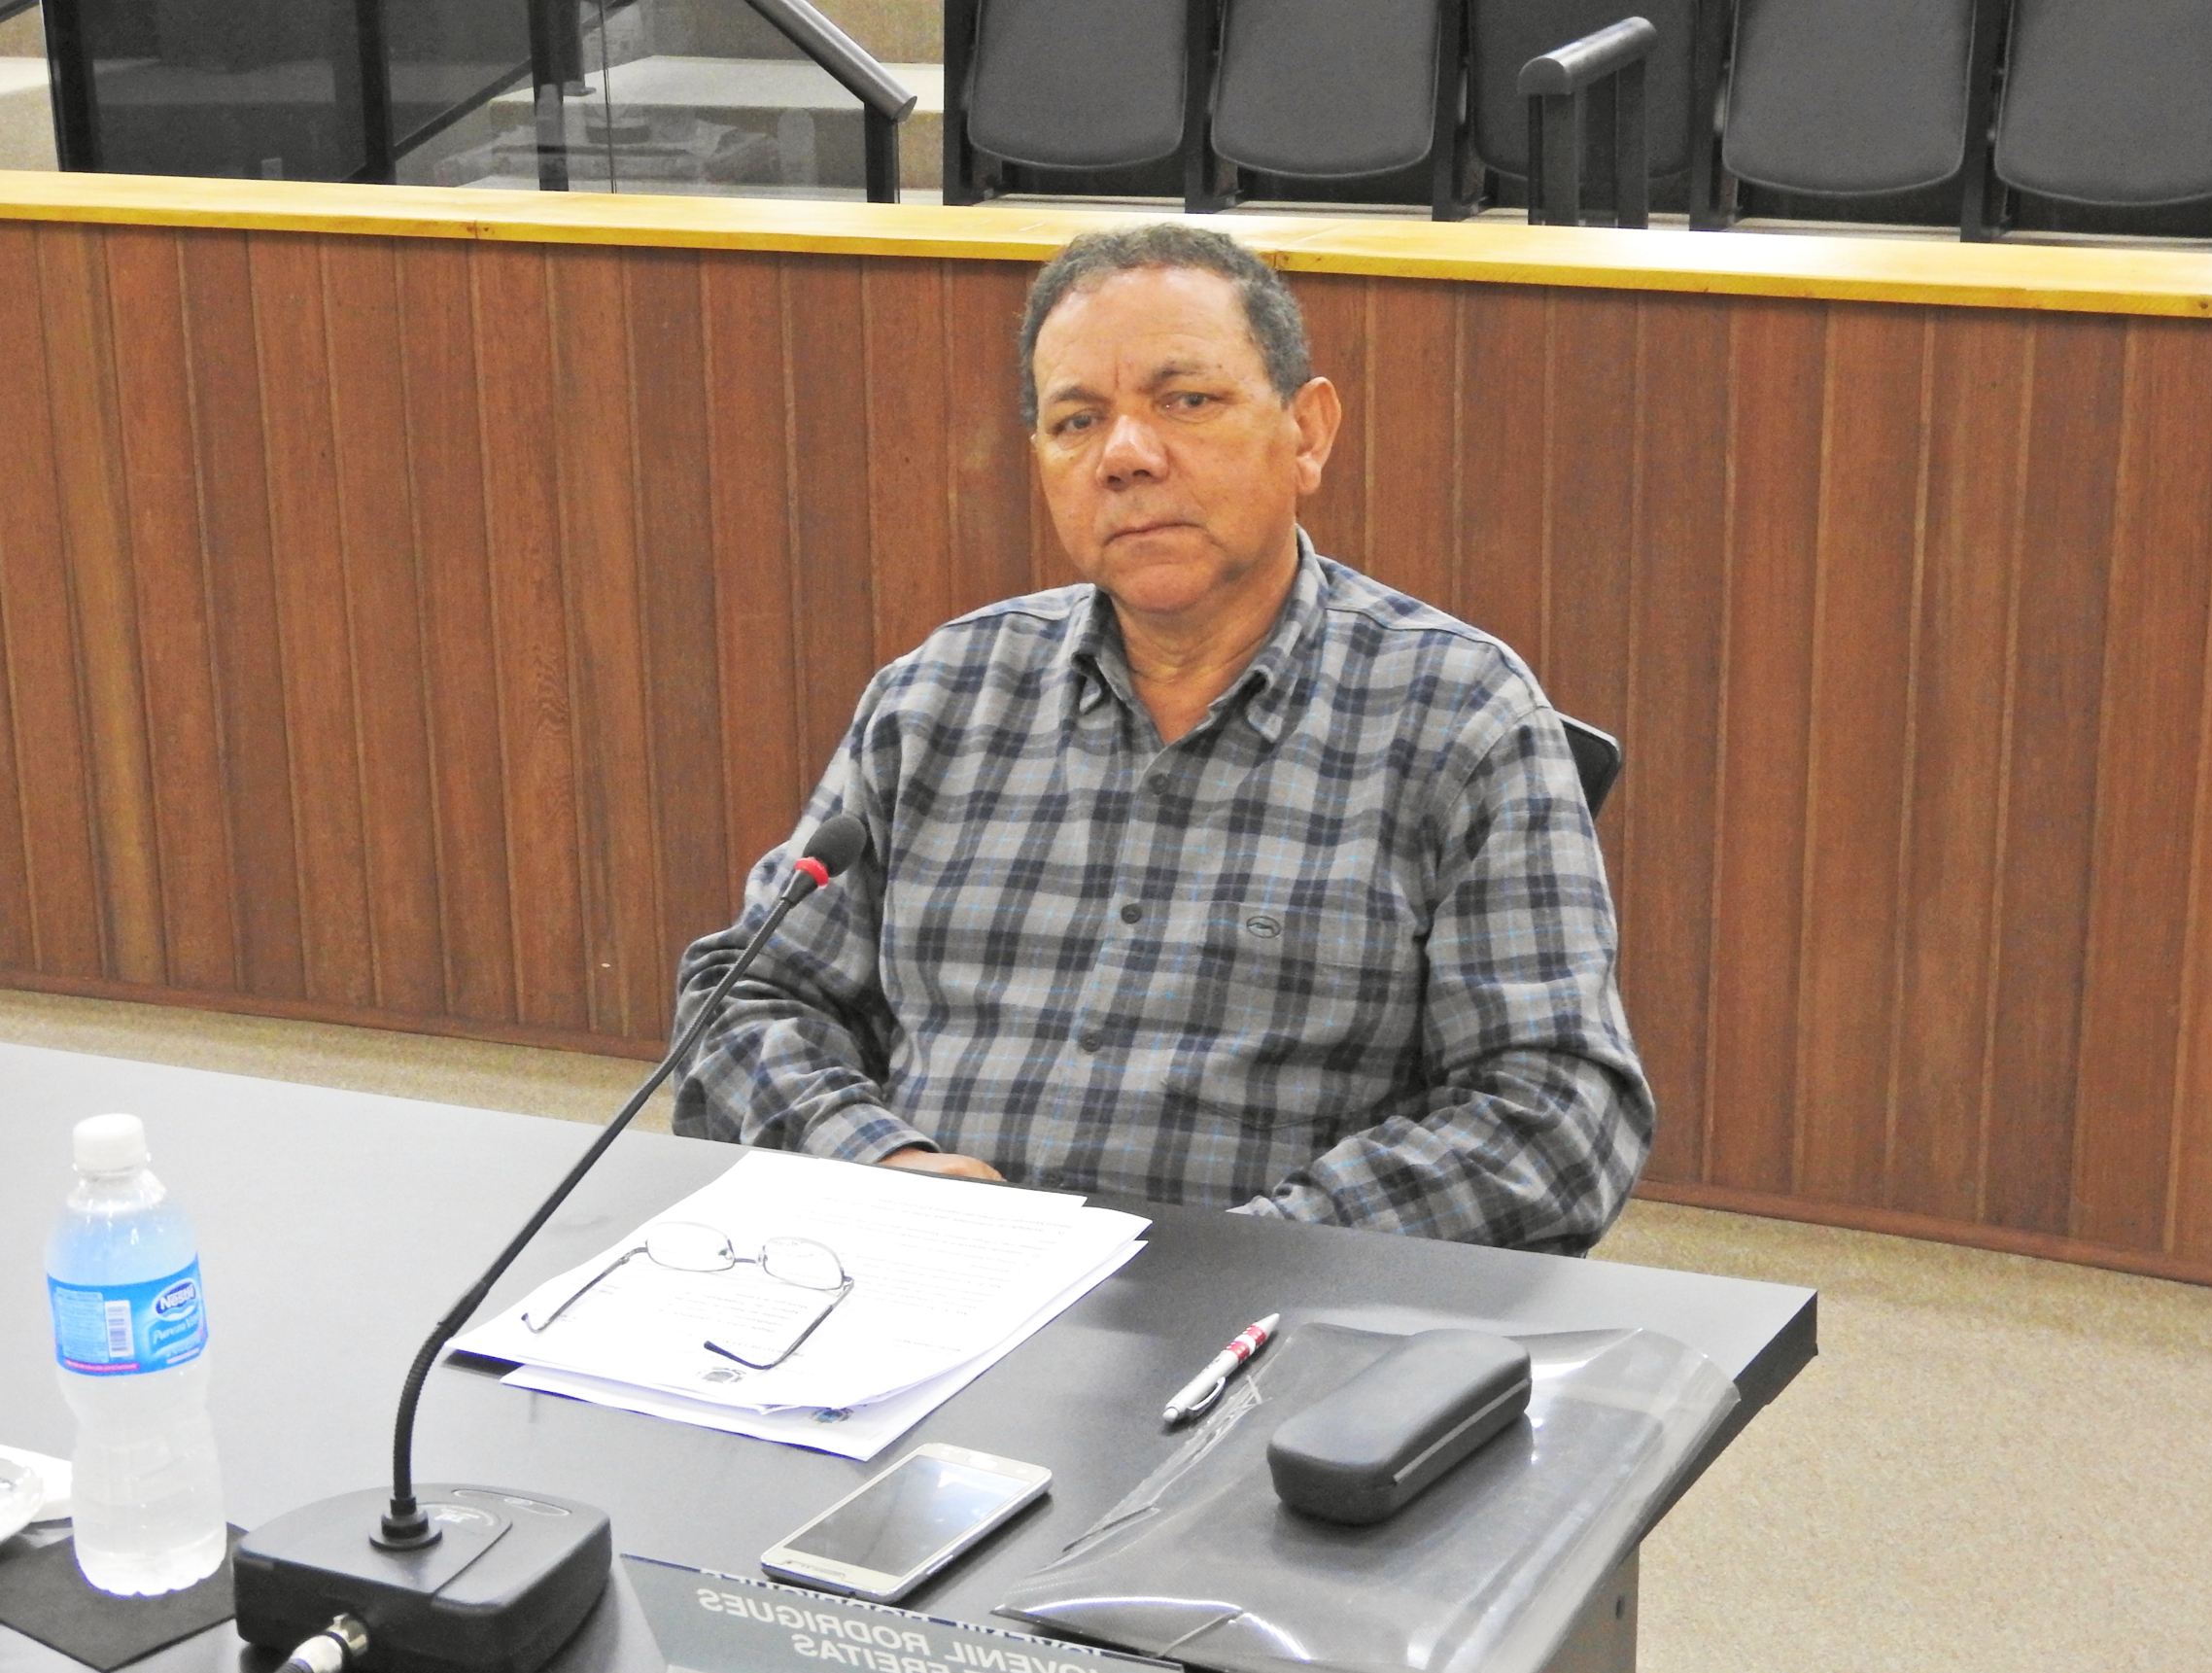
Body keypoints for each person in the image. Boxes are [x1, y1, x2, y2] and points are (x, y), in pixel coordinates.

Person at [672, 224, 1650, 1252]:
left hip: (1260, 1313)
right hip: (922, 1281)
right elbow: (747, 997)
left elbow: (1557, 1115)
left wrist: (1240, 1255)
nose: (1126, 456)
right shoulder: (938, 695)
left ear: (1307, 432)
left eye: (1187, 401)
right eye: (1077, 421)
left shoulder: (1461, 716)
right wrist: (878, 1162)